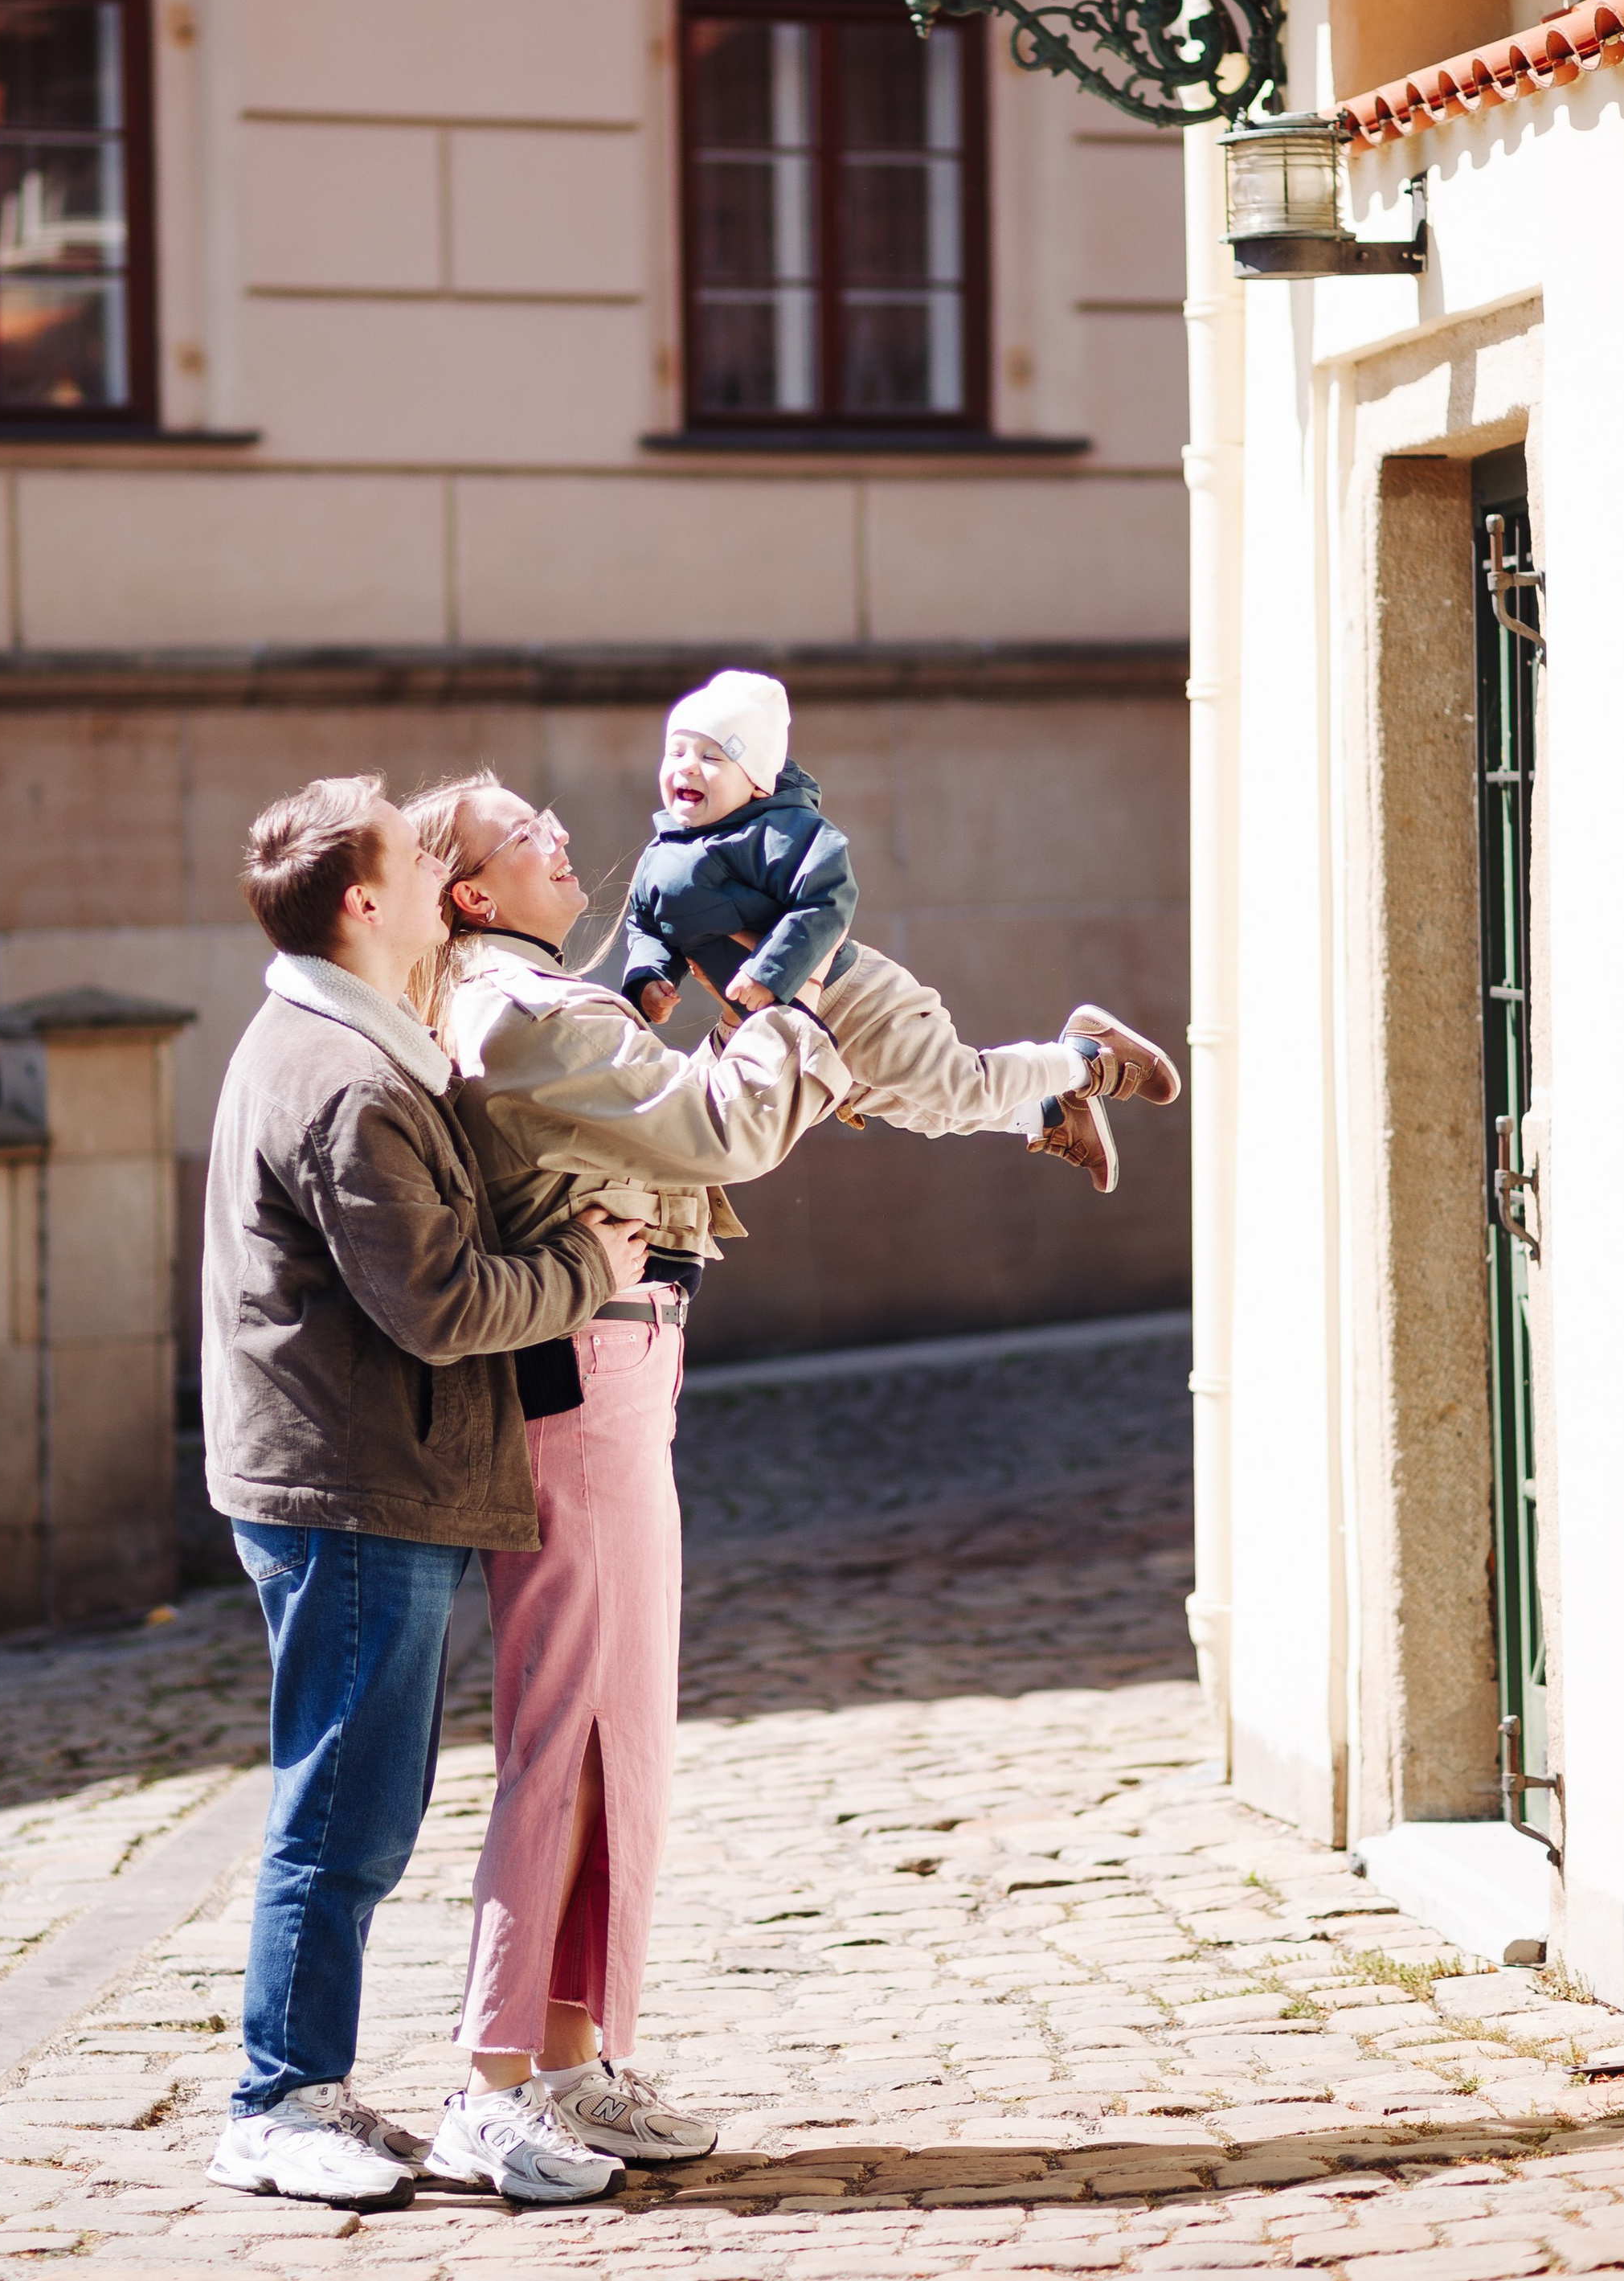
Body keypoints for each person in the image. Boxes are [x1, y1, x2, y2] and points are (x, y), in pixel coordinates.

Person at [400, 772, 855, 2202]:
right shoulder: (517, 1008)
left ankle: (572, 2055)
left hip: (623, 1365)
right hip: (581, 1376)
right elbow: (719, 1131)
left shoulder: (537, 995)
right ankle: (491, 2079)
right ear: (469, 893)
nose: (561, 836)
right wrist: (794, 994)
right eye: (522, 831)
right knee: (568, 1733)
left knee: (622, 1739)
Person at [202, 774, 649, 2217]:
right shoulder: (341, 1080)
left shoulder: (354, 1042)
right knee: (342, 1807)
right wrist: (599, 1267)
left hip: (364, 1476)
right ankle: (276, 2102)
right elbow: (445, 1302)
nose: (432, 867)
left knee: (364, 1798)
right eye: (409, 855)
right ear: (367, 903)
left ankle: (308, 2085)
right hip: (347, 1486)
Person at [624, 669, 1181, 1191]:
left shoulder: (776, 829)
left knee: (960, 1086)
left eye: (712, 755)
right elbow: (646, 923)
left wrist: (773, 971)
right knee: (923, 1111)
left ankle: (1087, 1058)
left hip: (851, 996)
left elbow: (827, 898)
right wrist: (649, 974)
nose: (687, 766)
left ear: (756, 782)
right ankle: (1048, 1110)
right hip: (780, 1023)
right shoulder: (661, 856)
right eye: (676, 751)